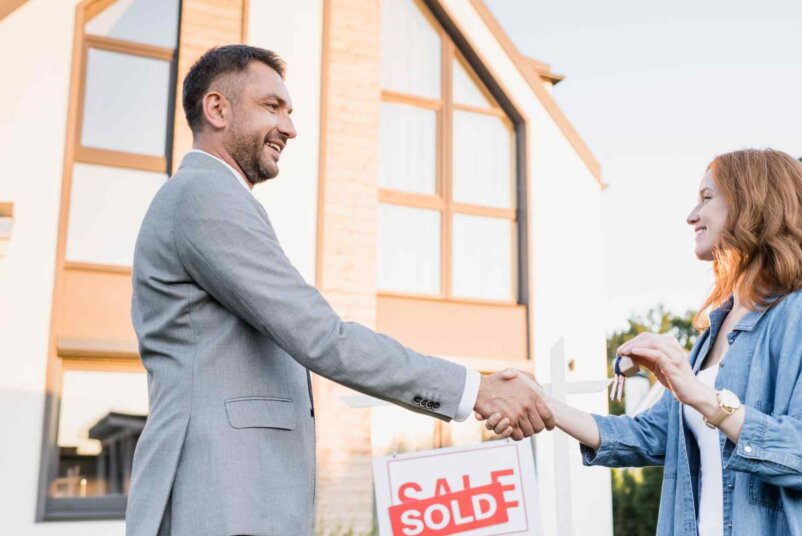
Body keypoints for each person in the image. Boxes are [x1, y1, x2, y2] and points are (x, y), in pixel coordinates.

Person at [126, 45, 553, 536]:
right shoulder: (204, 196)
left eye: (289, 111)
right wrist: (475, 391)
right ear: (217, 108)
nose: (290, 127)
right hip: (217, 496)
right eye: (272, 107)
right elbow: (323, 337)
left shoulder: (215, 200)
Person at [524, 149, 802, 535]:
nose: (692, 215)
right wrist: (543, 404)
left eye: (707, 198)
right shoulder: (712, 333)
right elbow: (649, 436)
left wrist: (698, 393)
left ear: (754, 204)